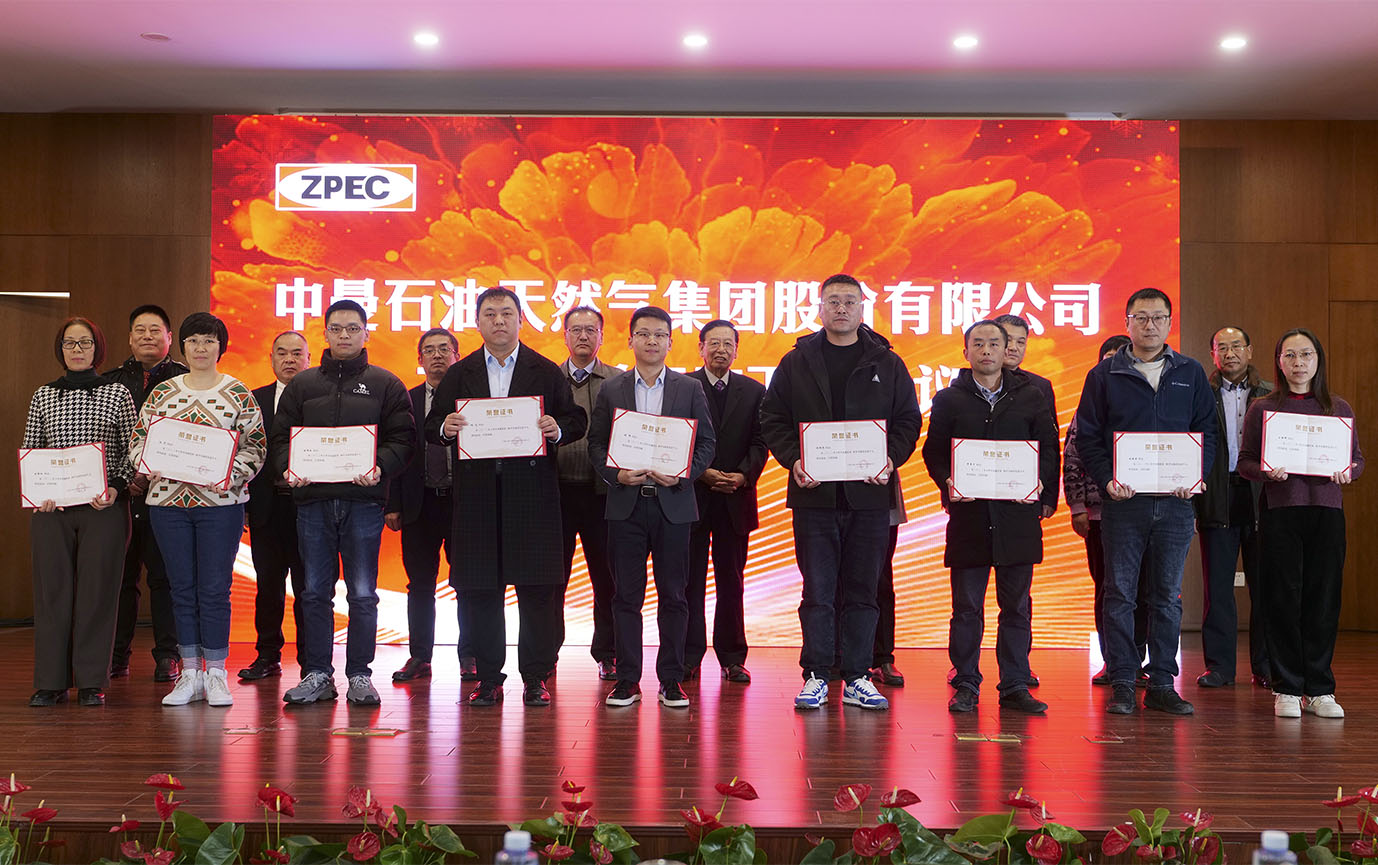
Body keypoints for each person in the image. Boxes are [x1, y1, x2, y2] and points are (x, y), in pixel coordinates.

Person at [759, 273, 922, 712]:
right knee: (817, 591)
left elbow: (909, 420)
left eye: (850, 301)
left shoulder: (887, 362)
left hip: (870, 497)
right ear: (819, 308)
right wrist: (793, 459)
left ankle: (857, 676)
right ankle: (816, 674)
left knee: (863, 591)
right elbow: (772, 417)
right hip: (814, 496)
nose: (842, 308)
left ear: (863, 308)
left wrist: (891, 458)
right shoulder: (797, 361)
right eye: (833, 301)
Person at [426, 288, 587, 707]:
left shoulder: (545, 370)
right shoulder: (459, 373)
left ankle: (535, 677)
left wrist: (557, 428)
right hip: (476, 498)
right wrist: (446, 428)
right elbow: (431, 425)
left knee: (537, 591)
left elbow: (575, 418)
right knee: (480, 591)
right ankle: (488, 679)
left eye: (507, 313)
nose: (499, 321)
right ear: (478, 322)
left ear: (520, 319)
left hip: (531, 497)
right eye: (490, 314)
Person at [1074, 287, 1216, 716]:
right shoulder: (1104, 375)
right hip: (1124, 503)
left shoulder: (1190, 372)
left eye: (1158, 318)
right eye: (1141, 318)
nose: (1150, 325)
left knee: (1167, 597)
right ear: (1127, 323)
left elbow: (1207, 432)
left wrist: (1196, 476)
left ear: (1170, 323)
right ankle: (1122, 680)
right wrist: (1107, 480)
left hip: (1175, 504)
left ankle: (1162, 683)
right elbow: (1088, 436)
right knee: (1119, 594)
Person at [273, 299, 414, 706]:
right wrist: (289, 468)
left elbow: (404, 440)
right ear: (326, 334)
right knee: (314, 592)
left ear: (366, 333)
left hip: (363, 502)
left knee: (363, 594)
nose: (345, 335)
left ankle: (360, 676)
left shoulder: (386, 384)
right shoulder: (303, 385)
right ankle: (317, 674)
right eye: (336, 329)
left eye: (353, 328)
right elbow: (280, 438)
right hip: (313, 503)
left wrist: (379, 467)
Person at [128, 313, 266, 707]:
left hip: (221, 505)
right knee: (181, 588)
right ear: (182, 346)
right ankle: (189, 673)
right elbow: (139, 442)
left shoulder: (238, 393)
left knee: (215, 589)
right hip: (167, 504)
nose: (200, 348)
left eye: (208, 341)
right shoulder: (163, 394)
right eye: (193, 341)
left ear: (221, 347)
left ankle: (216, 673)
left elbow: (256, 447)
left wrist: (227, 475)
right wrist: (149, 464)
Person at [922, 320, 1060, 714]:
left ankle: (1014, 683)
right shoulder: (949, 399)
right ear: (965, 352)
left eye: (994, 344)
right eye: (978, 344)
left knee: (1016, 606)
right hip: (970, 517)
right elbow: (934, 451)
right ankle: (966, 680)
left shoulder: (1031, 396)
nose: (986, 351)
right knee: (967, 607)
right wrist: (947, 481)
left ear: (1007, 350)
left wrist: (1043, 491)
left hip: (1017, 517)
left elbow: (1048, 448)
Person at [586, 306, 716, 709]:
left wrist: (683, 475)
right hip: (626, 505)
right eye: (643, 334)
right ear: (630, 340)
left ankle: (671, 679)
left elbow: (707, 443)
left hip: (673, 505)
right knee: (625, 597)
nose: (652, 341)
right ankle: (627, 680)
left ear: (670, 343)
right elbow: (596, 443)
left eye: (660, 335)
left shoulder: (689, 388)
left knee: (675, 595)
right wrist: (616, 474)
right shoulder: (613, 389)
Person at [1238, 328, 1362, 719]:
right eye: (1290, 355)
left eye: (1306, 355)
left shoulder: (1337, 407)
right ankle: (1287, 687)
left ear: (1317, 360)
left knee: (1323, 600)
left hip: (1327, 512)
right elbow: (1244, 462)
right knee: (1281, 598)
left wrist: (1348, 471)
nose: (1298, 363)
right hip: (1280, 512)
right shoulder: (1263, 408)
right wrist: (1266, 472)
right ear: (1278, 362)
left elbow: (1357, 460)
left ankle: (1320, 688)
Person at [23, 318, 137, 707]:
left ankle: (91, 681)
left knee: (97, 593)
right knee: (52, 592)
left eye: (85, 343)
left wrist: (116, 487)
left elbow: (132, 451)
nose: (77, 350)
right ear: (60, 349)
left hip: (103, 507)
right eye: (69, 343)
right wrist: (39, 492)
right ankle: (50, 682)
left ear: (97, 348)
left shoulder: (117, 393)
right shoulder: (43, 395)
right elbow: (32, 450)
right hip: (51, 510)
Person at [386, 327, 476, 684]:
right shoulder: (406, 401)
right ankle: (420, 656)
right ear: (420, 359)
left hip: (463, 504)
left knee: (468, 583)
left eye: (444, 349)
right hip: (418, 504)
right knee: (420, 585)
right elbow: (396, 453)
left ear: (457, 356)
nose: (437, 355)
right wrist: (392, 504)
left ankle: (470, 655)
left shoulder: (472, 399)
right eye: (429, 350)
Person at [106, 304, 188, 682]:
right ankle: (116, 655)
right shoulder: (109, 382)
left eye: (155, 330)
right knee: (120, 579)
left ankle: (168, 654)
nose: (147, 336)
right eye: (140, 330)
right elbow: (105, 440)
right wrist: (126, 478)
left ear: (169, 338)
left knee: (164, 578)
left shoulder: (185, 380)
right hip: (120, 496)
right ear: (129, 338)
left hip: (167, 494)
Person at [1064, 335, 1150, 686]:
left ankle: (1136, 660)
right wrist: (1078, 506)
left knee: (1145, 589)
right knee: (1109, 590)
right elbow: (1073, 459)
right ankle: (1113, 661)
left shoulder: (1148, 405)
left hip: (1148, 510)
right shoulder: (1088, 407)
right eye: (1108, 358)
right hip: (1101, 515)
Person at [686, 319, 767, 684]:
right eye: (713, 343)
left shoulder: (754, 391)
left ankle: (732, 658)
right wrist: (701, 472)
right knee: (689, 582)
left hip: (736, 498)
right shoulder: (683, 387)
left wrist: (743, 475)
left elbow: (760, 442)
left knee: (731, 583)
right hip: (691, 497)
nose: (721, 350)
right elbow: (677, 439)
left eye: (728, 344)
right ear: (700, 348)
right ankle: (688, 656)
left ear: (736, 350)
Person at [1194, 326, 1272, 689]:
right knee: (1217, 588)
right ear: (1212, 354)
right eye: (1221, 348)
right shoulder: (1201, 393)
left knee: (1265, 586)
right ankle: (1220, 667)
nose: (1229, 354)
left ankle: (1266, 665)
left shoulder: (1270, 394)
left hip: (1261, 495)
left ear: (1250, 350)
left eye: (1236, 346)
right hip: (1217, 493)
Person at [239, 331, 309, 682]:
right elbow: (241, 451)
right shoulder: (254, 399)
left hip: (309, 508)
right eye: (282, 353)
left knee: (309, 587)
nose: (289, 359)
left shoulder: (323, 397)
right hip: (266, 507)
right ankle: (267, 655)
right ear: (271, 359)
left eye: (297, 353)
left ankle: (312, 660)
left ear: (309, 359)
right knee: (268, 585)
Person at [556, 306, 620, 681]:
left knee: (607, 578)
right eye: (576, 329)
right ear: (565, 335)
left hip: (604, 494)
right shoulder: (548, 378)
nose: (583, 336)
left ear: (601, 336)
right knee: (552, 579)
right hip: (556, 494)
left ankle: (608, 652)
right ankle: (546, 653)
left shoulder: (618, 381)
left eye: (590, 330)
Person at [993, 312, 1057, 690]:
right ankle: (964, 671)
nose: (1013, 348)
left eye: (1021, 341)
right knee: (969, 598)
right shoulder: (965, 385)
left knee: (1018, 596)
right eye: (1007, 340)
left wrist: (1047, 495)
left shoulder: (1039, 388)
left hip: (1021, 504)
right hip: (978, 502)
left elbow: (1049, 446)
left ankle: (1018, 668)